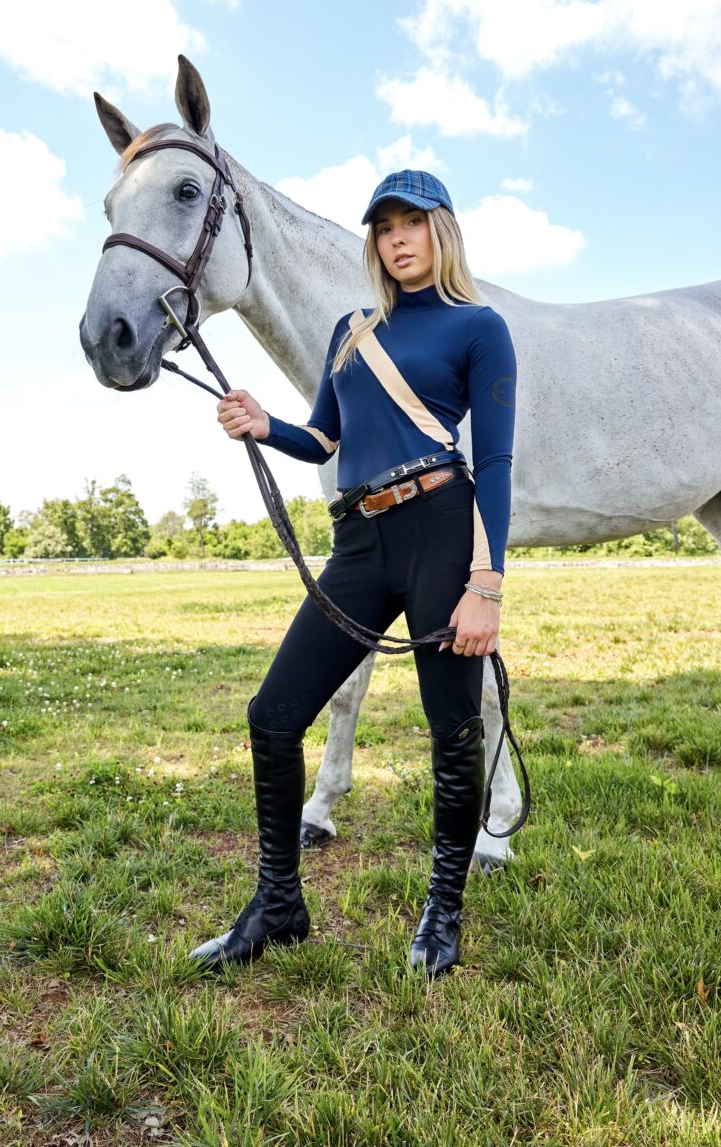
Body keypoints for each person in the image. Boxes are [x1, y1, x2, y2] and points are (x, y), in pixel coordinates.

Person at [188, 171, 517, 978]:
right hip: (359, 543)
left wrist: (486, 585)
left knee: (453, 732)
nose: (397, 238)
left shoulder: (481, 329)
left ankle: (443, 911)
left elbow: (497, 462)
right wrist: (267, 427)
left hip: (442, 532)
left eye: (413, 223)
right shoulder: (350, 331)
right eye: (384, 228)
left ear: (444, 231)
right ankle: (278, 904)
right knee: (273, 714)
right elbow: (325, 442)